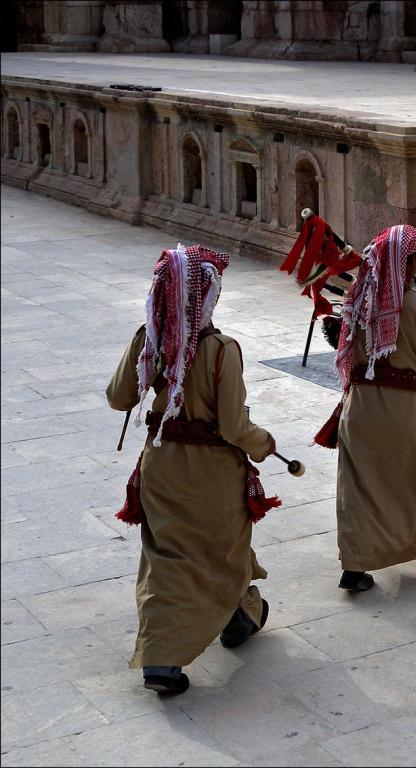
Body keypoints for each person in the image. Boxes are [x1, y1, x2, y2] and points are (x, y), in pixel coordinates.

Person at [107, 244, 279, 695]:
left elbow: (118, 397)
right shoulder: (222, 350)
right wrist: (265, 445)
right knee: (222, 550)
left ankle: (172, 654)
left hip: (161, 466)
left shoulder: (149, 338)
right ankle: (235, 615)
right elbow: (234, 426)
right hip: (213, 474)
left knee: (167, 558)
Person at [315, 224, 416, 592]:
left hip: (361, 408)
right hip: (406, 410)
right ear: (407, 262)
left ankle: (355, 565)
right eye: (415, 259)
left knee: (359, 489)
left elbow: (345, 344)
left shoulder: (357, 297)